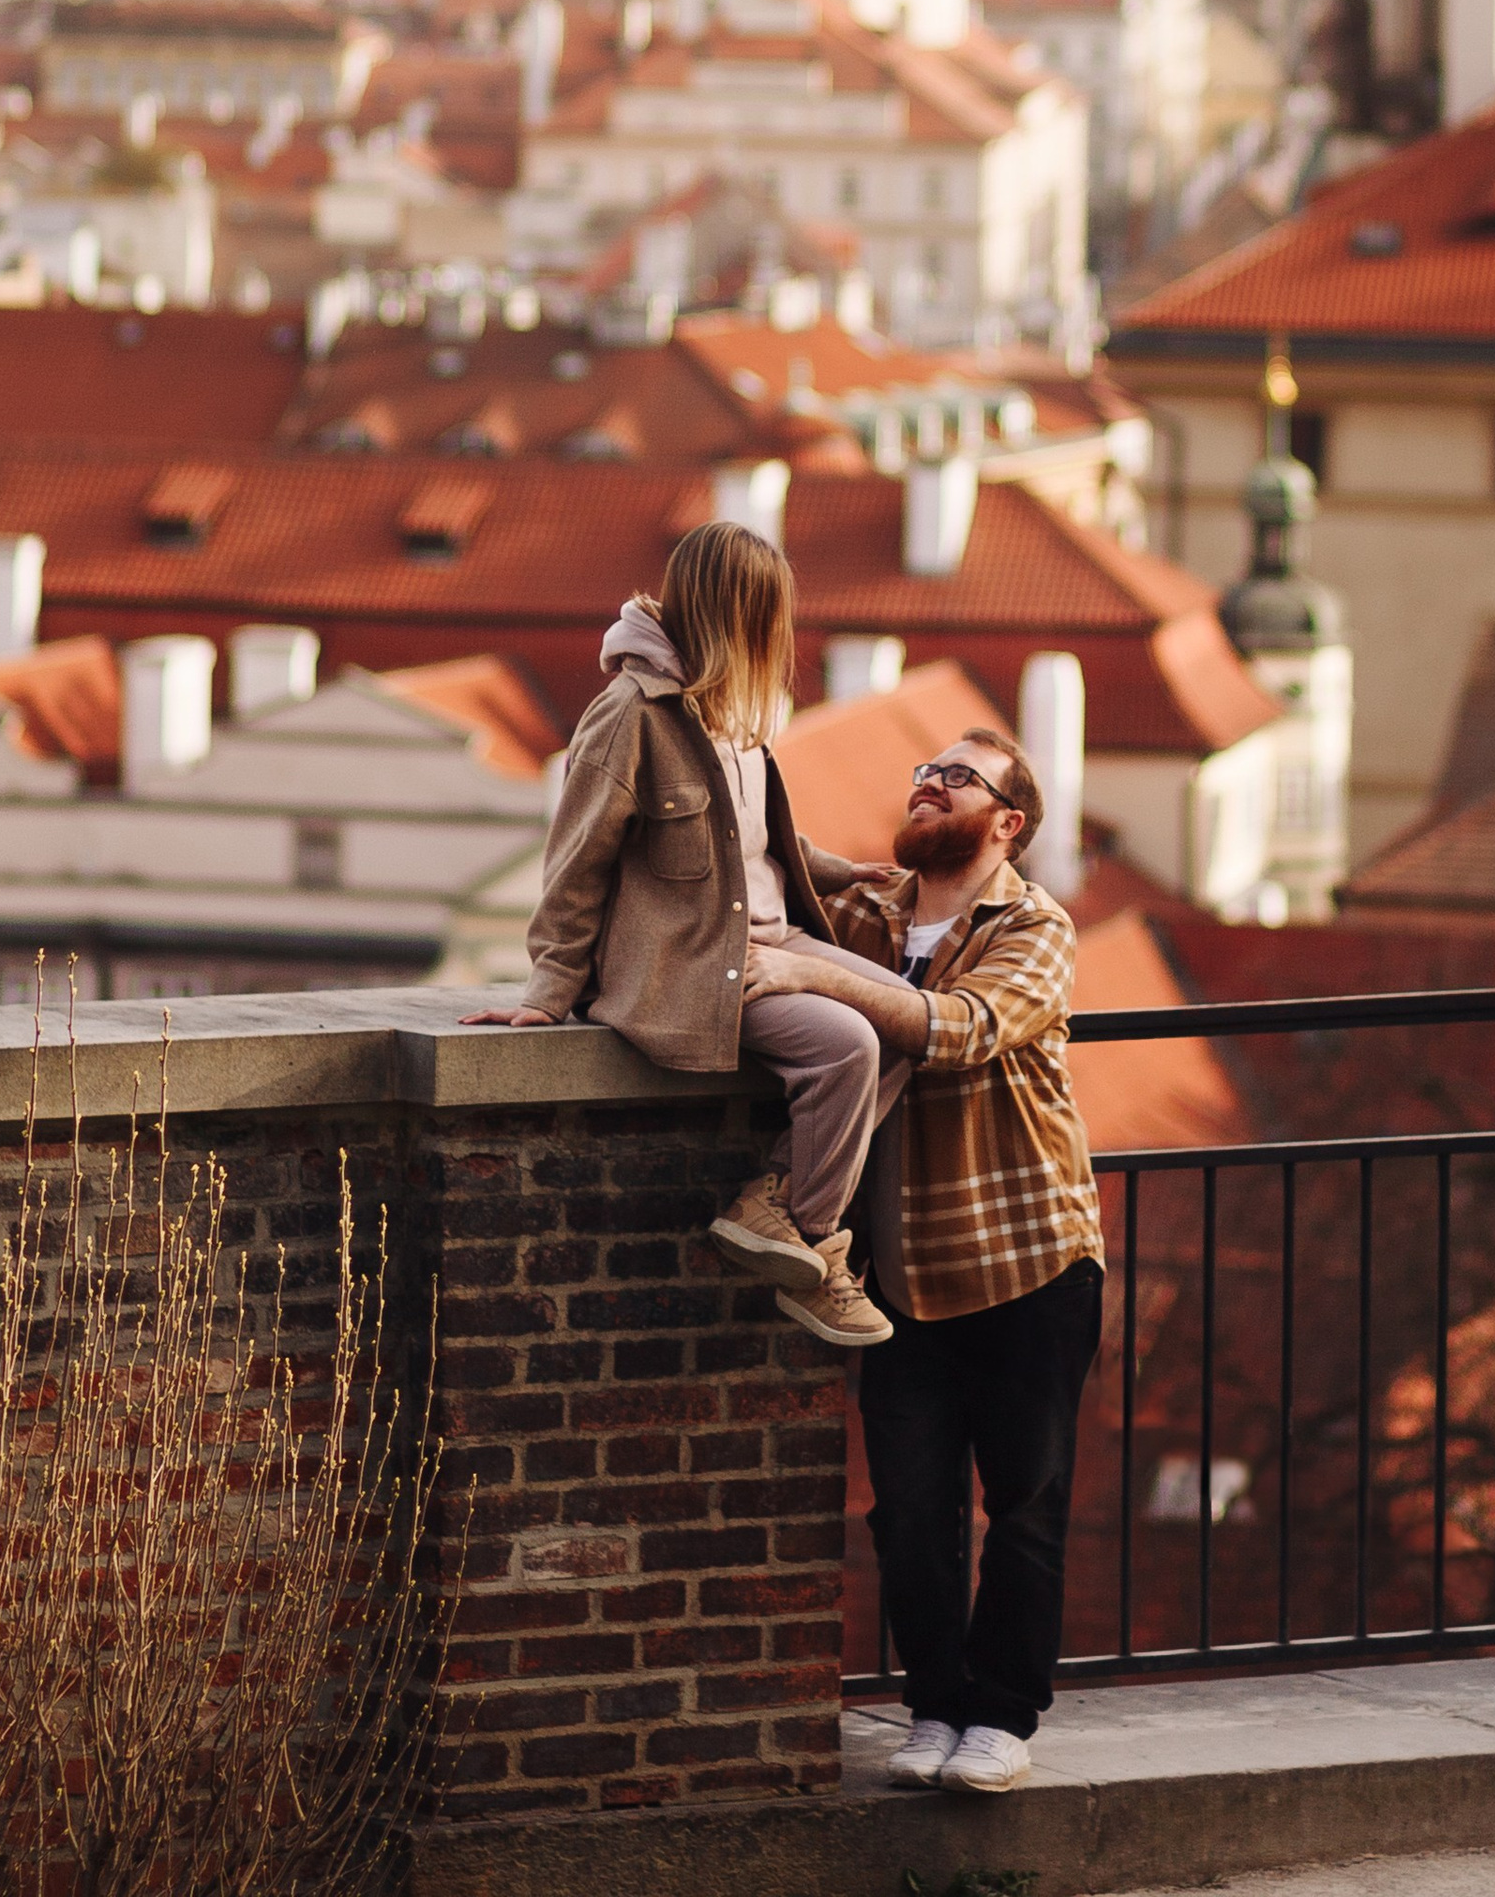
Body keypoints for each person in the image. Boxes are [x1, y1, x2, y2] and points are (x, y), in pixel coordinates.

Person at [734, 725, 1102, 1800]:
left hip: (1027, 1257)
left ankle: (1002, 1715)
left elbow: (962, 1027)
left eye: (960, 777)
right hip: (895, 1270)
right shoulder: (869, 914)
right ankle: (935, 1703)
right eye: (923, 773)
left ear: (1009, 822)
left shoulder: (1032, 923)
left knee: (1023, 1505)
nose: (931, 785)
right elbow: (763, 871)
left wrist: (811, 970)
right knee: (905, 1509)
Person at [463, 519, 906, 1353]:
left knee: (908, 1017)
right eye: (768, 620)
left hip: (777, 943)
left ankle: (771, 1204)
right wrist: (548, 994)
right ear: (731, 615)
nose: (779, 640)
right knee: (848, 1046)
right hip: (700, 969)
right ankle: (814, 1245)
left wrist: (843, 872)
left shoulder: (736, 711)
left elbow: (754, 845)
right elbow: (575, 863)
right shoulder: (629, 715)